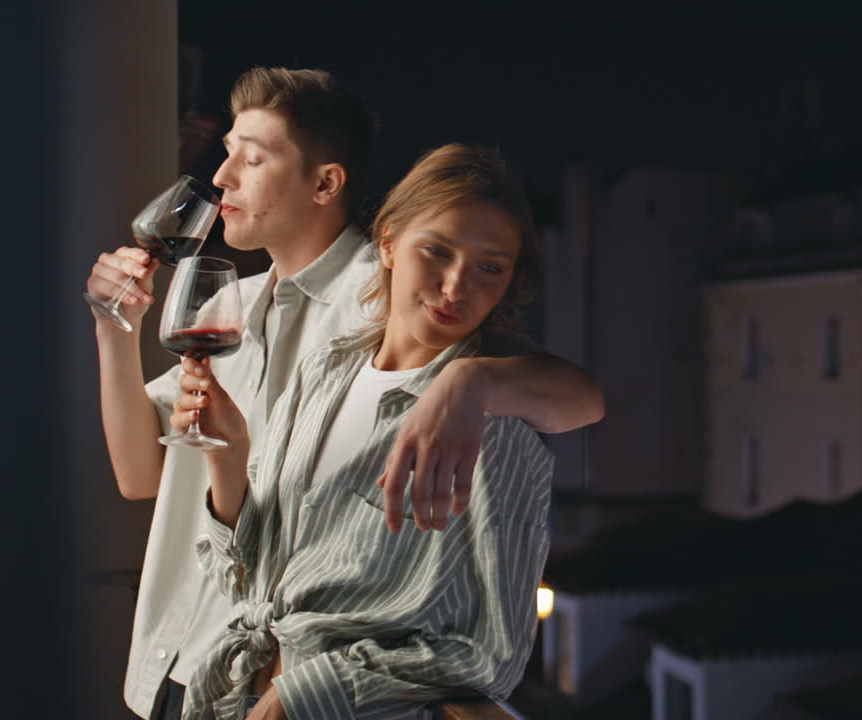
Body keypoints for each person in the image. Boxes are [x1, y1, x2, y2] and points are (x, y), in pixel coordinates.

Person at [85, 68, 604, 720]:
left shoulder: (384, 304)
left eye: (251, 157)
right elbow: (144, 476)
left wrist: (471, 383)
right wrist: (115, 328)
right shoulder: (234, 305)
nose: (220, 179)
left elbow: (574, 396)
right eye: (225, 154)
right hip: (189, 663)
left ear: (328, 183)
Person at [180, 143, 554, 720]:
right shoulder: (324, 369)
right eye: (436, 250)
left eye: (490, 267)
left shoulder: (494, 430)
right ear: (387, 244)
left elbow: (491, 657)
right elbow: (251, 575)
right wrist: (228, 455)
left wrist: (305, 692)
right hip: (238, 697)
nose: (457, 286)